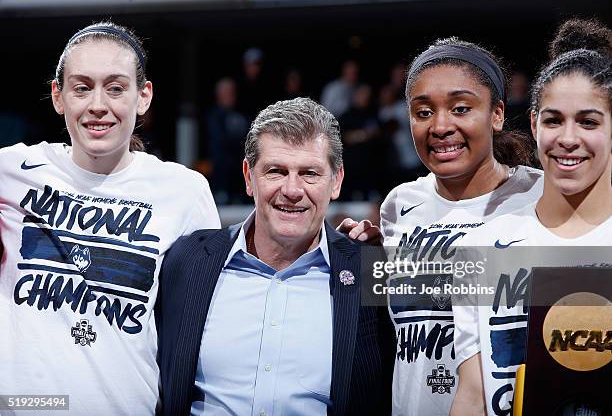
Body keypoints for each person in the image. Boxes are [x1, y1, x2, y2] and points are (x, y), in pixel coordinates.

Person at [0, 22, 220, 415]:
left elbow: (208, 318)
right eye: (82, 87)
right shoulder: (12, 169)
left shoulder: (184, 191)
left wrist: (362, 258)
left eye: (115, 88)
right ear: (58, 96)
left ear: (143, 96)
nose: (97, 104)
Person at [343, 38, 544, 415]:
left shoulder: (540, 196)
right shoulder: (399, 205)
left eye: (461, 108)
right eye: (422, 113)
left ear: (497, 114)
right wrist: (366, 258)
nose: (440, 126)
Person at [157, 97, 393, 416]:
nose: (292, 190)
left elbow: (473, 287)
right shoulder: (185, 259)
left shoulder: (372, 266)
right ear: (248, 176)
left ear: (335, 181)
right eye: (276, 171)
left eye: (310, 173)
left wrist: (402, 248)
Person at [451, 18, 612, 416]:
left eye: (588, 121)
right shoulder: (482, 247)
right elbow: (472, 394)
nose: (568, 138)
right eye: (554, 120)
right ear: (535, 123)